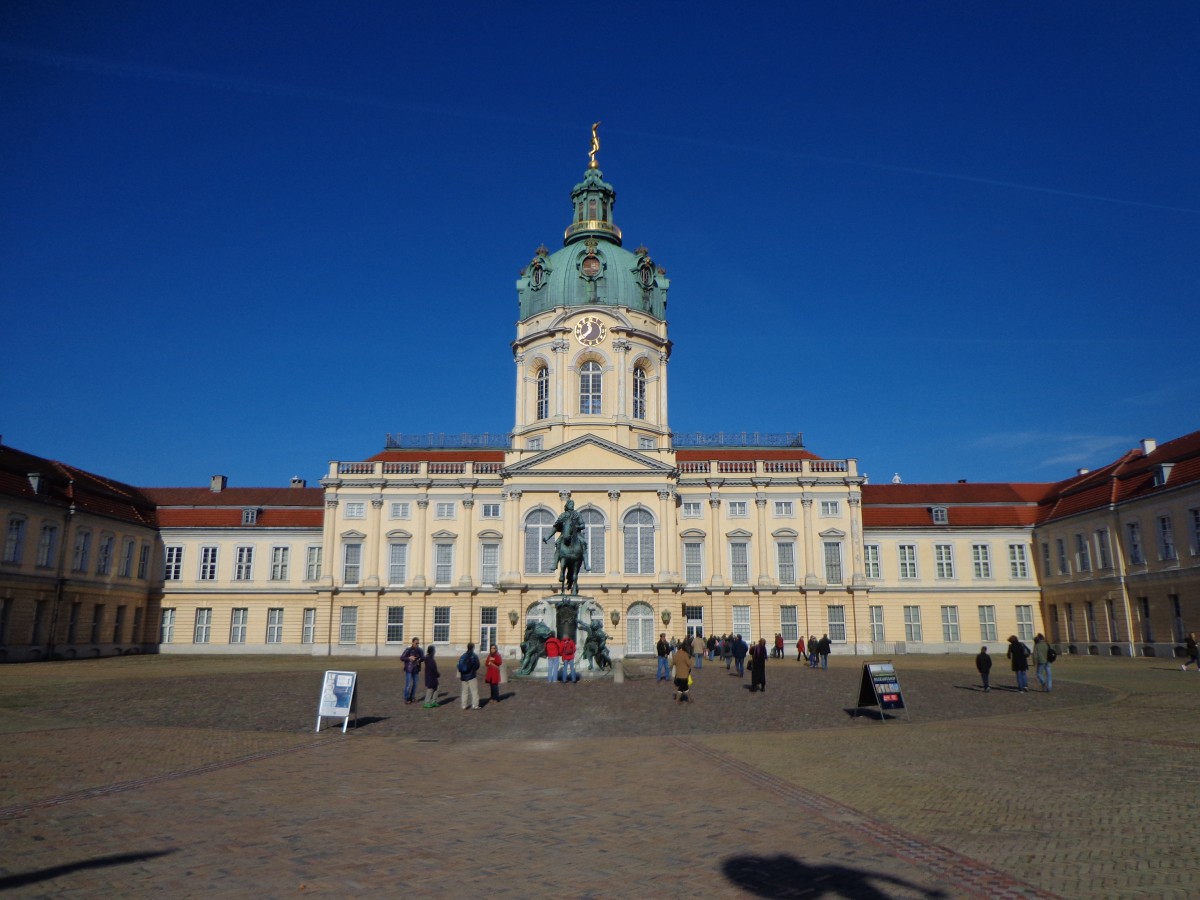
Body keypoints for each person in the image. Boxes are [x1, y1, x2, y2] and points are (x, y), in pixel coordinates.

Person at [400, 637, 424, 705]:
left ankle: (412, 697)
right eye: (416, 643)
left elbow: (423, 657)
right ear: (413, 642)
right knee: (408, 684)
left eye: (418, 643)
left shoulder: (420, 650)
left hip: (416, 669)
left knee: (415, 684)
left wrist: (419, 660)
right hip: (409, 669)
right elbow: (401, 658)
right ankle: (406, 698)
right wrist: (409, 658)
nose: (417, 644)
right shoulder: (408, 650)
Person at [458, 642, 481, 709]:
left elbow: (459, 665)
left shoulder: (463, 656)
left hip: (463, 676)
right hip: (471, 676)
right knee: (474, 691)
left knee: (464, 691)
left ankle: (463, 705)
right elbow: (477, 665)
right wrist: (473, 669)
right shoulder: (474, 656)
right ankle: (475, 704)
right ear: (473, 648)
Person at [672, 637, 694, 703]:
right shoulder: (685, 654)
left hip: (678, 674)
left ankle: (690, 699)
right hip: (684, 675)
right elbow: (689, 663)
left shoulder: (675, 655)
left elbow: (673, 663)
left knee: (686, 688)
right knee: (681, 689)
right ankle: (677, 700)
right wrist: (691, 659)